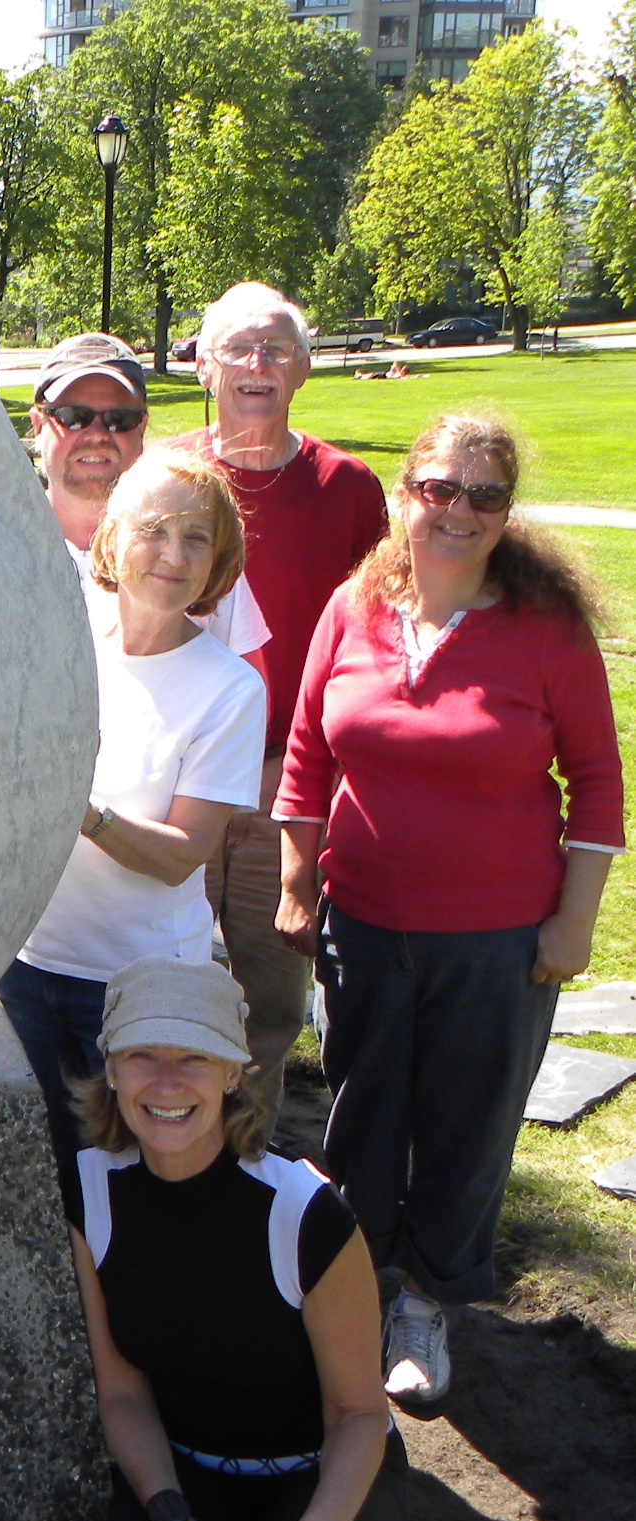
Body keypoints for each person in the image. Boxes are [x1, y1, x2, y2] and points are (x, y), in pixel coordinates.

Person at [275, 414, 624, 1406]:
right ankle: (352, 1288)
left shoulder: (544, 630)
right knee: (362, 1117)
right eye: (440, 487)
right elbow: (307, 754)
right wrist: (301, 884)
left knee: (469, 1130)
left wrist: (571, 922)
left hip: (500, 937)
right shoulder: (354, 608)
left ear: (507, 513)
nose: (459, 510)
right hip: (366, 923)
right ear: (405, 492)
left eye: (485, 495)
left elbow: (596, 782)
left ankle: (426, 1304)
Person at [73, 956, 406, 1521]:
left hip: (315, 1470)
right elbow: (122, 1393)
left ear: (234, 1072)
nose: (165, 1083)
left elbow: (358, 1412)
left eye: (193, 1057)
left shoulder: (306, 1215)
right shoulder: (89, 1194)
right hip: (193, 1480)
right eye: (141, 1056)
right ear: (111, 1068)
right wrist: (170, 1519)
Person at [0, 450, 266, 1204]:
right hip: (24, 964)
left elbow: (183, 855)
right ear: (112, 539)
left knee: (128, 1184)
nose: (172, 556)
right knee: (39, 1180)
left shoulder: (229, 690)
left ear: (219, 562)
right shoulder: (65, 644)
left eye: (196, 539)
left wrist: (81, 811)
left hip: (136, 986)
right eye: (153, 531)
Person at [175, 283, 389, 1121]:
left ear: (303, 366)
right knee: (166, 978)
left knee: (270, 995)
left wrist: (302, 776)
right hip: (178, 783)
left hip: (283, 784)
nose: (255, 367)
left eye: (274, 350)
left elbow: (369, 644)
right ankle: (165, 1153)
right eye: (237, 348)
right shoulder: (171, 478)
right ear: (204, 364)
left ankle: (250, 1155)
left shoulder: (346, 488)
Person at [28, 332, 269, 662]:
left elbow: (246, 683)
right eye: (73, 417)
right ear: (39, 425)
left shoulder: (191, 551)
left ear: (141, 429)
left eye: (119, 420)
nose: (97, 435)